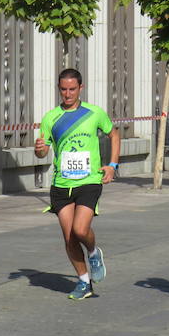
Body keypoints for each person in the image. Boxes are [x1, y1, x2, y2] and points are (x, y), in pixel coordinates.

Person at [35, 69, 120, 300]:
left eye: (72, 89)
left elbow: (114, 135)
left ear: (80, 88)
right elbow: (42, 151)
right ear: (59, 89)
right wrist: (40, 150)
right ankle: (84, 282)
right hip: (62, 184)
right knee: (69, 237)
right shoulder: (50, 118)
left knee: (80, 230)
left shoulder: (94, 113)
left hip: (89, 181)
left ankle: (93, 252)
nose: (68, 94)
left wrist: (112, 165)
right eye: (63, 89)